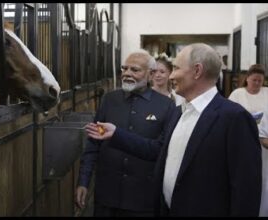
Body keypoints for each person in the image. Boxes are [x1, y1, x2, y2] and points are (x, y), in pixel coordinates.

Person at [85, 43, 262, 216]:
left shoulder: (234, 117)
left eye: (176, 68)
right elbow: (156, 150)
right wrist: (116, 134)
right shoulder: (179, 112)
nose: (170, 77)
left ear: (197, 71)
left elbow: (246, 190)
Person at [75, 49, 175, 217]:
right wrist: (83, 181)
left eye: (135, 70)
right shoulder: (109, 100)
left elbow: (161, 151)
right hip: (107, 197)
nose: (127, 74)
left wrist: (117, 135)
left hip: (142, 200)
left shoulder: (166, 106)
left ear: (151, 75)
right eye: (124, 68)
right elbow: (93, 143)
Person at [228, 64, 268, 216]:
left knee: (264, 178)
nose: (257, 84)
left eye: (260, 81)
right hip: (243, 140)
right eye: (254, 80)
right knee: (246, 177)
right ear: (247, 79)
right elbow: (229, 115)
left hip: (264, 142)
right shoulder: (237, 94)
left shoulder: (266, 92)